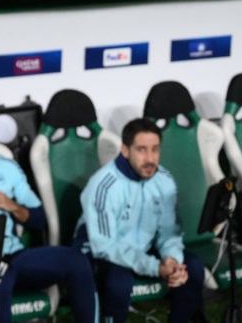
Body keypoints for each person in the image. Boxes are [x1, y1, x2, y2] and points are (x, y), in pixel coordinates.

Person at [0, 101, 97, 323]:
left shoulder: (6, 166)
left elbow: (39, 219)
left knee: (75, 260)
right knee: (0, 274)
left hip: (14, 258)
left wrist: (13, 206)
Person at [75, 118, 204, 323]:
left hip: (142, 250)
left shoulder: (164, 180)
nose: (150, 158)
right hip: (100, 253)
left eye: (155, 150)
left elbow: (169, 232)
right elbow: (104, 246)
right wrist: (153, 267)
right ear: (125, 151)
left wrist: (172, 260)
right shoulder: (103, 185)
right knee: (118, 282)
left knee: (193, 268)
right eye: (142, 150)